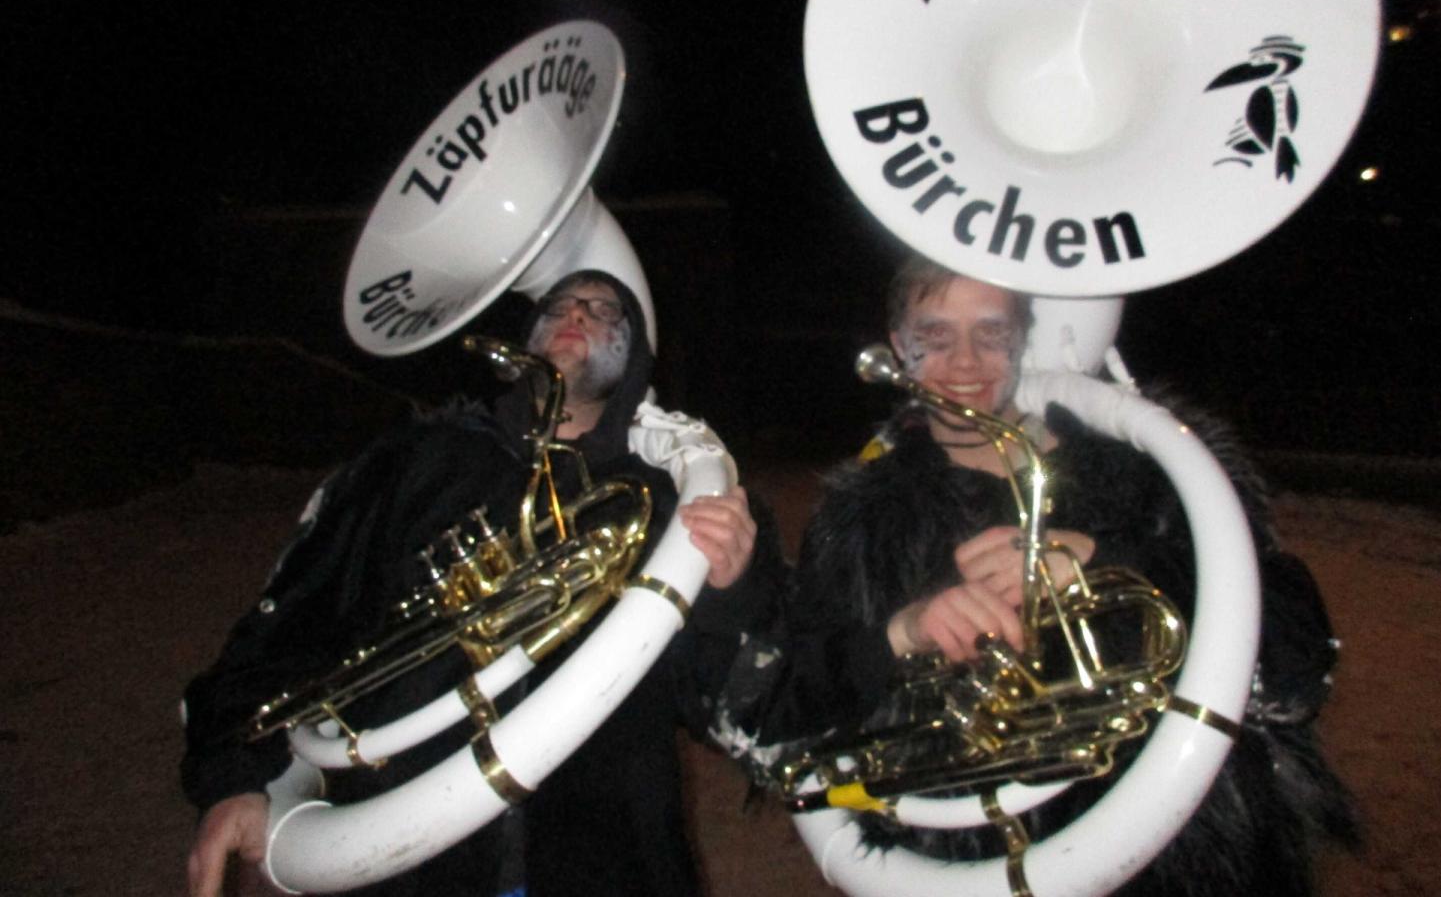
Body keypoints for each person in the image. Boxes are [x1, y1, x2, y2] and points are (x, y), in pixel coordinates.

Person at [729, 255, 1354, 896]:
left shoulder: (1151, 470)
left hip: (1190, 856)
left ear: (1023, 338)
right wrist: (903, 632)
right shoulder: (862, 516)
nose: (965, 362)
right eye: (934, 337)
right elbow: (784, 708)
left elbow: (1295, 652)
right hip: (973, 866)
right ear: (897, 349)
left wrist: (1105, 560)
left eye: (992, 333)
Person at [181, 269, 781, 897]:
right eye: (559, 305)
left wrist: (732, 590)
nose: (576, 314)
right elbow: (297, 615)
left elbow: (725, 703)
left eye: (605, 311)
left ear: (635, 360)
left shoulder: (663, 502)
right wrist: (235, 776)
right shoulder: (416, 458)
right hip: (405, 860)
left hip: (606, 855)